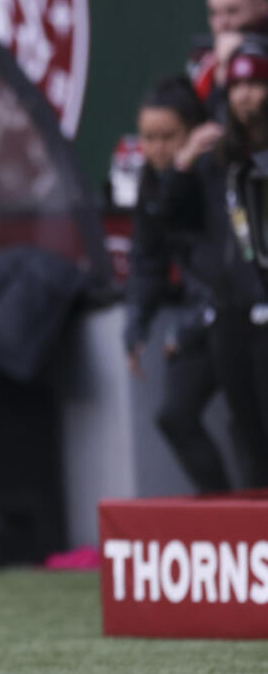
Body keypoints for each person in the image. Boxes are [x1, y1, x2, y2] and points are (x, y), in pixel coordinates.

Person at [166, 38, 268, 486]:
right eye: (238, 84)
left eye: (255, 83)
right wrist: (182, 166)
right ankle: (253, 539)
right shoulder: (215, 153)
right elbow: (174, 223)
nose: (245, 94)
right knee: (246, 428)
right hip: (228, 310)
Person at [124, 76, 232, 493]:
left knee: (251, 423)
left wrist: (185, 169)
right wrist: (136, 327)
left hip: (235, 314)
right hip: (201, 321)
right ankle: (225, 521)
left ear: (195, 131)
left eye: (168, 136)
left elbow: (222, 263)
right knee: (175, 416)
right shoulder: (154, 182)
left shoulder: (215, 169)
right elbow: (146, 261)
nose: (158, 148)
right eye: (148, 137)